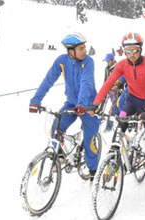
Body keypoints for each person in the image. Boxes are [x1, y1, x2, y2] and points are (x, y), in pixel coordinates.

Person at [90, 32, 145, 199]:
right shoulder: (122, 64)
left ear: (141, 49)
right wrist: (95, 103)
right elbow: (108, 84)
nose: (132, 55)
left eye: (135, 50)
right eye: (128, 51)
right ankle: (113, 161)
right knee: (119, 126)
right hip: (132, 101)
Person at [29, 32, 100, 181]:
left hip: (88, 106)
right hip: (71, 103)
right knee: (56, 127)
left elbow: (86, 84)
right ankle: (59, 156)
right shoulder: (61, 61)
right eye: (81, 48)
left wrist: (81, 104)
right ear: (71, 51)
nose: (85, 51)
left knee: (89, 140)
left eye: (84, 47)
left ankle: (94, 174)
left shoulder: (88, 62)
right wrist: (36, 100)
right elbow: (48, 80)